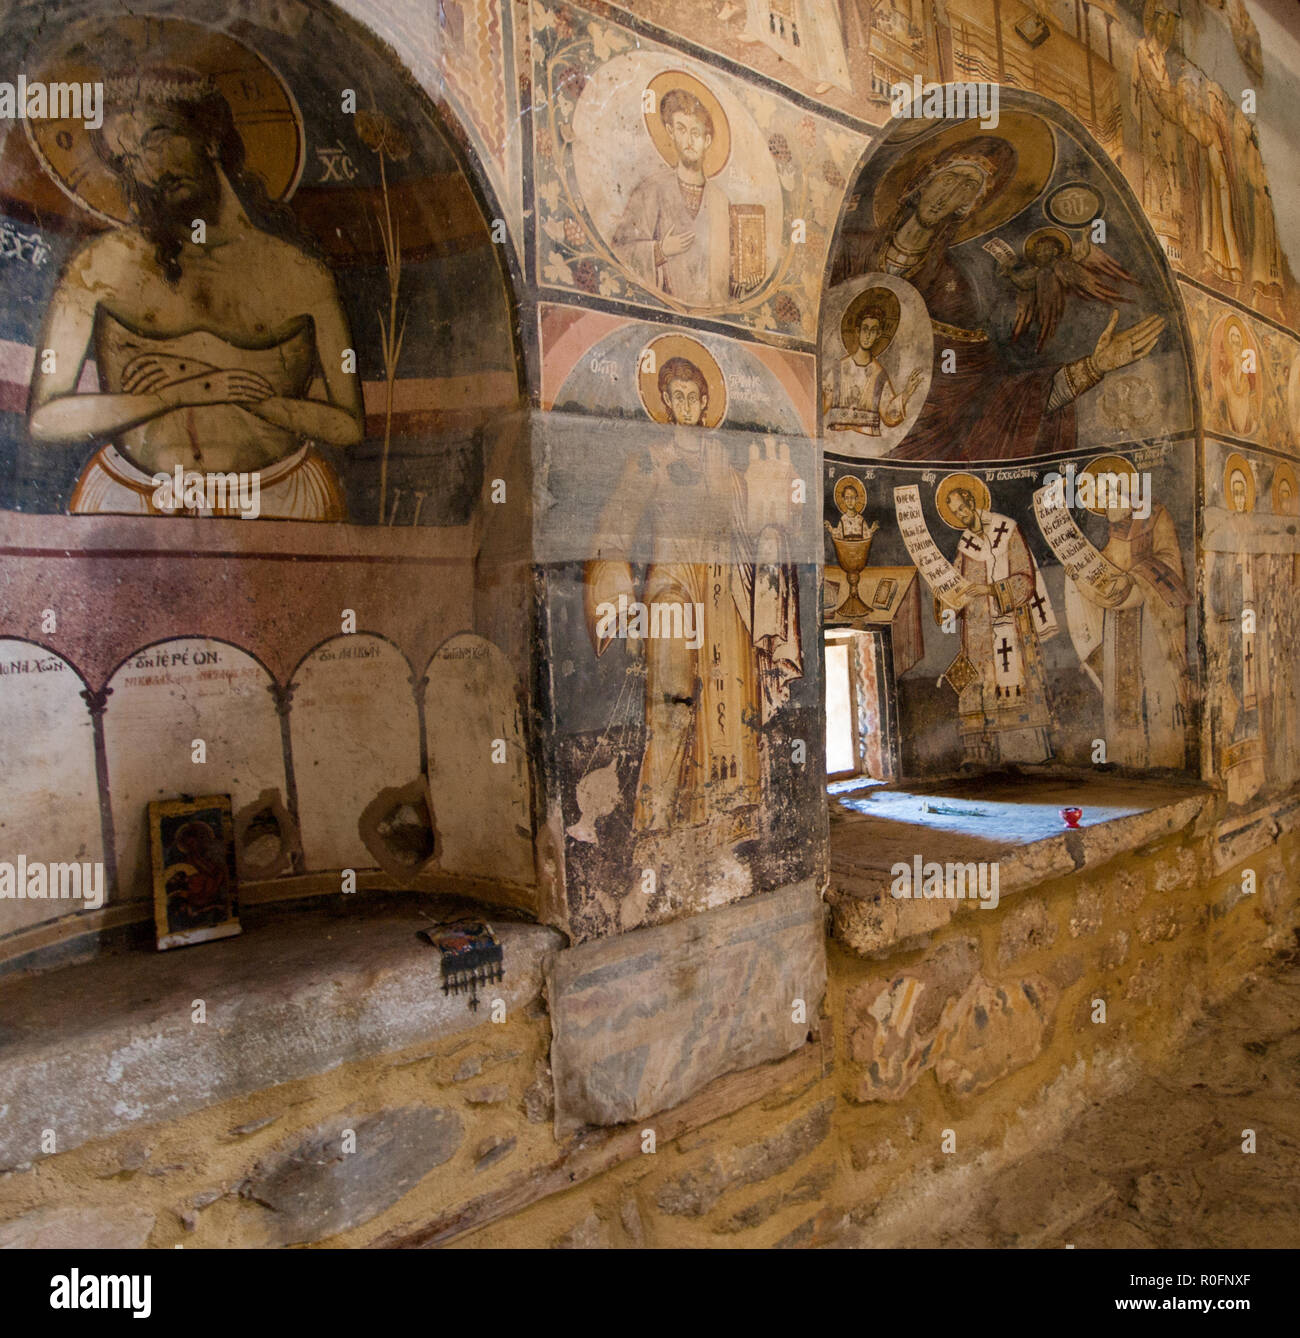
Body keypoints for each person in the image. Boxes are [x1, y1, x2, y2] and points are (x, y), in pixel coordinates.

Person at [27, 68, 362, 518]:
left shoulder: (299, 273)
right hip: (130, 496)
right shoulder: (99, 266)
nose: (151, 168)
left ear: (208, 136)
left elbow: (348, 424)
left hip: (281, 494)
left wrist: (264, 404)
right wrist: (176, 396)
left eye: (157, 139)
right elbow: (45, 417)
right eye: (128, 158)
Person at [832, 133, 1165, 461]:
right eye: (948, 180)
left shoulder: (954, 283)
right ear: (921, 183)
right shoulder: (849, 250)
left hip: (905, 443)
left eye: (965, 190)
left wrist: (1092, 367)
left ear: (966, 208)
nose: (947, 196)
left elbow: (986, 393)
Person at [584, 352, 801, 840]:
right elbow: (615, 525)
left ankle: (728, 818)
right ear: (664, 402)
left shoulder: (726, 464)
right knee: (671, 702)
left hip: (724, 592)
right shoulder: (650, 461)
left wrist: (778, 512)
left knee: (731, 700)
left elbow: (759, 523)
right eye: (675, 396)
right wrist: (616, 586)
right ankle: (658, 820)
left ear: (706, 402)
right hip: (672, 586)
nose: (685, 404)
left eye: (692, 396)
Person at [1066, 466, 1191, 769]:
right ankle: (1127, 757)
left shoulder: (1156, 514)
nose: (1105, 501)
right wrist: (1081, 578)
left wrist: (1134, 578)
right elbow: (1103, 577)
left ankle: (1164, 760)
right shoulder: (1112, 530)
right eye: (1099, 497)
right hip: (1117, 621)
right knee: (1121, 690)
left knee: (1156, 685)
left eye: (1107, 492)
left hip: (1150, 620)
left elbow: (1170, 561)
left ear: (1124, 487)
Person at [940, 479, 1056, 764]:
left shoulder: (1007, 529)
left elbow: (1024, 580)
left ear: (973, 502)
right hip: (979, 631)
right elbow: (957, 583)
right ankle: (985, 756)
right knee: (980, 685)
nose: (961, 516)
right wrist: (943, 591)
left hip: (1012, 623)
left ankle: (1028, 753)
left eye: (963, 508)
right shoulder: (965, 544)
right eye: (955, 513)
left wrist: (991, 590)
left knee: (1015, 678)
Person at [612, 86, 732, 305]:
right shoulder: (652, 189)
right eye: (682, 129)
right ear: (670, 132)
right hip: (663, 310)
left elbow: (730, 272)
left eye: (695, 133)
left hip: (711, 318)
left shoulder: (720, 201)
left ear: (706, 141)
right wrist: (660, 250)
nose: (689, 140)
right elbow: (620, 249)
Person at [823, 293, 923, 436]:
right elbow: (821, 404)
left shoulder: (879, 374)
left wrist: (906, 393)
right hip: (837, 434)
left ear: (878, 334)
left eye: (873, 330)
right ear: (857, 331)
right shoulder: (838, 368)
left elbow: (889, 416)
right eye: (865, 329)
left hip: (867, 438)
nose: (868, 335)